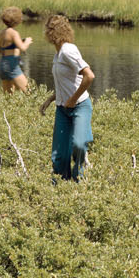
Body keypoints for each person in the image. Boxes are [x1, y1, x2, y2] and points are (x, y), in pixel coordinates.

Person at [46, 14, 94, 182]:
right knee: (59, 155)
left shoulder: (68, 50)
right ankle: (60, 185)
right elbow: (67, 82)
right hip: (62, 109)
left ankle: (79, 179)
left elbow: (89, 76)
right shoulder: (58, 53)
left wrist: (73, 100)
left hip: (80, 106)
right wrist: (50, 99)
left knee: (79, 145)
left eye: (49, 29)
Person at [0, 6, 32, 94]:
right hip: (12, 66)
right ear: (17, 20)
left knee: (8, 97)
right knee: (29, 93)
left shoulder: (1, 33)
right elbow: (23, 48)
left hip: (3, 65)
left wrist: (13, 47)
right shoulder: (14, 33)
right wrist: (27, 41)